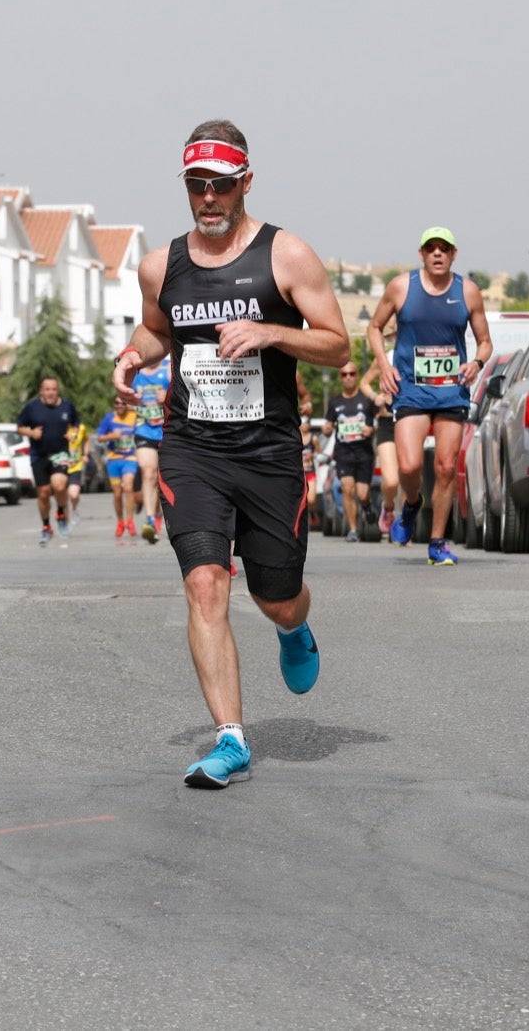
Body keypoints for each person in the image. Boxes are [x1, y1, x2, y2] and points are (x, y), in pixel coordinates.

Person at [113, 118, 350, 789]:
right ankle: (231, 737)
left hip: (269, 451)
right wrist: (134, 354)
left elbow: (338, 345)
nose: (209, 198)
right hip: (193, 448)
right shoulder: (163, 265)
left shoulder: (287, 256)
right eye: (197, 185)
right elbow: (157, 331)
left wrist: (273, 332)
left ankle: (292, 628)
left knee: (276, 598)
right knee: (205, 584)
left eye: (221, 185)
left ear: (245, 182)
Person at [368, 227, 493, 567]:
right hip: (411, 387)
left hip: (451, 389)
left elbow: (485, 341)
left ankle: (437, 542)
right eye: (431, 248)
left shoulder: (467, 291)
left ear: (454, 254)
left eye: (444, 248)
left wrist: (476, 363)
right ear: (421, 254)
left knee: (446, 467)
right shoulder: (401, 286)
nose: (437, 254)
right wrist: (384, 364)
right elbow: (374, 327)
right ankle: (411, 503)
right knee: (408, 465)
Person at [16, 377, 80, 546]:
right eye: (47, 389)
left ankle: (60, 513)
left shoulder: (67, 406)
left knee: (59, 485)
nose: (51, 392)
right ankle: (46, 526)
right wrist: (31, 433)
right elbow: (19, 427)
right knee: (43, 493)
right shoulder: (32, 408)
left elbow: (76, 423)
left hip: (60, 454)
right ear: (41, 391)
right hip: (39, 455)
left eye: (54, 389)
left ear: (57, 391)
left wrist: (73, 433)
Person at [321, 359, 376, 541]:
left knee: (362, 493)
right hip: (344, 452)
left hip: (363, 453)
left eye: (352, 374)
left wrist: (372, 429)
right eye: (344, 375)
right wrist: (327, 428)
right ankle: (352, 529)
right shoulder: (335, 402)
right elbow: (328, 425)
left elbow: (378, 421)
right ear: (341, 378)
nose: (348, 378)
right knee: (347, 488)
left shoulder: (366, 401)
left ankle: (367, 505)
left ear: (357, 376)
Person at [131, 357, 170, 543]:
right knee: (148, 473)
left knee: (162, 480)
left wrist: (169, 395)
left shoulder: (169, 368)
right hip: (143, 430)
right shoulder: (135, 374)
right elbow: (122, 395)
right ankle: (149, 520)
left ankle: (158, 514)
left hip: (167, 431)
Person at [362, 349, 399, 538]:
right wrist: (375, 397)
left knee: (411, 477)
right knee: (391, 481)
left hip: (410, 421)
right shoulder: (386, 357)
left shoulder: (421, 353)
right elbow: (364, 383)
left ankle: (402, 525)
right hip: (387, 422)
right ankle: (388, 507)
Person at [95, 396, 139, 537]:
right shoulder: (109, 418)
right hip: (114, 460)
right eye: (117, 403)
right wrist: (112, 436)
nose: (120, 405)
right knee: (117, 493)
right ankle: (121, 522)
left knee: (128, 487)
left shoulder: (134, 416)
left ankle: (130, 521)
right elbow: (99, 437)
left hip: (130, 458)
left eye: (123, 403)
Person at [62, 421, 90, 529]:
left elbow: (87, 440)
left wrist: (85, 454)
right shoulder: (58, 427)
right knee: (63, 496)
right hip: (61, 465)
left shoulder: (81, 428)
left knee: (73, 494)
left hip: (75, 465)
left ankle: (74, 508)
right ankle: (65, 523)